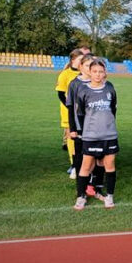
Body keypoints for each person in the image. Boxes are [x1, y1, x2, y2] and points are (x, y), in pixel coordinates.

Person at [73, 59, 118, 210]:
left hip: (109, 135)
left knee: (109, 165)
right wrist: (81, 132)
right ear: (89, 72)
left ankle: (109, 196)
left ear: (105, 72)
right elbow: (80, 114)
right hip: (90, 136)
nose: (98, 74)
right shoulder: (83, 90)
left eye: (101, 71)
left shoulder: (110, 88)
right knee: (86, 166)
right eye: (95, 71)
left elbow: (113, 109)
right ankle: (81, 197)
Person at [67, 54, 106, 200]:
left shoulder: (99, 83)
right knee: (81, 160)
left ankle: (95, 187)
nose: (91, 70)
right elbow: (70, 107)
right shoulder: (75, 84)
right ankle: (81, 190)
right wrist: (72, 129)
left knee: (98, 158)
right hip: (80, 129)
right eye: (87, 66)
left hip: (97, 129)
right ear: (81, 67)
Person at [55, 49, 83, 177]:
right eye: (79, 60)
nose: (82, 62)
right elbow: (61, 94)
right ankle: (73, 164)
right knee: (72, 136)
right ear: (73, 61)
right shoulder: (65, 74)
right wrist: (70, 107)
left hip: (83, 112)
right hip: (68, 112)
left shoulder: (85, 73)